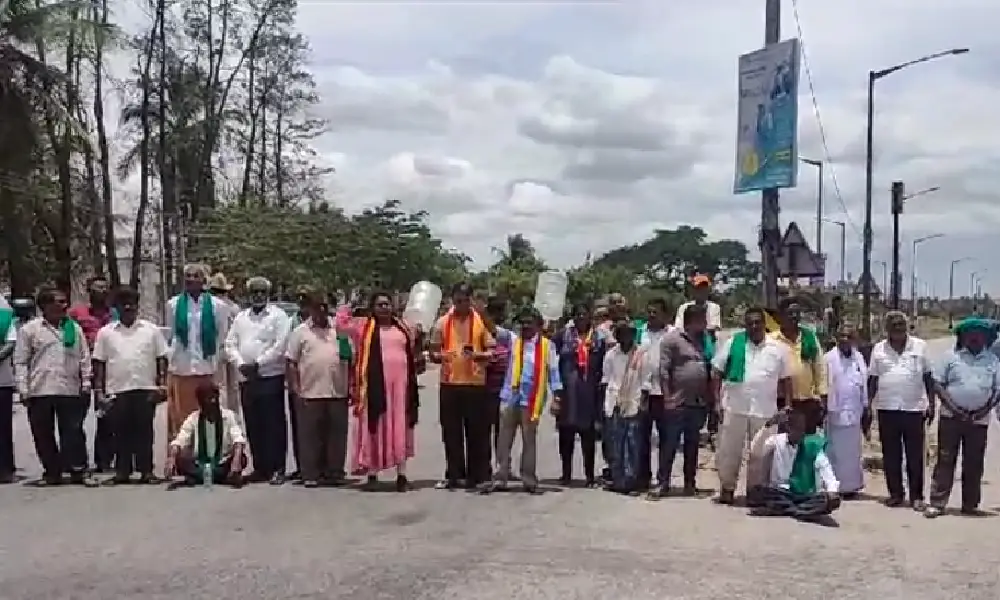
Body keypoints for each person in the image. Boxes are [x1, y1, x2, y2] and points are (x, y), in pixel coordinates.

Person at [336, 291, 420, 492]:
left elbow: (416, 341)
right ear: (372, 308)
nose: (384, 308)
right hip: (374, 389)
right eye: (380, 305)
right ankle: (372, 473)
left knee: (399, 428)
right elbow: (340, 326)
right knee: (374, 427)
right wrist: (349, 304)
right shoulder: (363, 326)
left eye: (387, 304)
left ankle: (402, 475)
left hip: (400, 389)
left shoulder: (403, 327)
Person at [14, 287, 96, 487]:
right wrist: (23, 389)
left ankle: (79, 471)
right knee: (43, 434)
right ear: (46, 306)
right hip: (40, 389)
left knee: (73, 432)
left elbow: (84, 357)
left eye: (64, 301)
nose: (64, 306)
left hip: (69, 388)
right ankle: (52, 472)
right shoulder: (30, 330)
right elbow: (21, 361)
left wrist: (86, 381)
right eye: (58, 302)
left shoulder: (73, 328)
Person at [712, 306, 793, 505]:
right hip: (734, 407)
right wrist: (715, 402)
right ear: (745, 325)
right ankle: (727, 488)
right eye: (750, 323)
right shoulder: (733, 343)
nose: (754, 326)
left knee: (762, 452)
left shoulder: (778, 348)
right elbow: (716, 372)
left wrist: (788, 405)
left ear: (764, 324)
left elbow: (786, 379)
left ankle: (756, 492)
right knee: (729, 451)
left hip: (765, 409)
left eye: (758, 322)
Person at [92, 287, 169, 485]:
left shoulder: (151, 331)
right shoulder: (105, 333)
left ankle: (146, 471)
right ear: (116, 308)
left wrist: (162, 384)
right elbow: (99, 363)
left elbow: (161, 358)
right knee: (120, 433)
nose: (128, 307)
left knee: (145, 431)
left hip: (145, 387)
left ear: (137, 306)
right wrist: (99, 392)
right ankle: (122, 472)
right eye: (123, 304)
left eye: (132, 304)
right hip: (117, 389)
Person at [925, 317, 1000, 518]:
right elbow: (938, 384)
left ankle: (970, 504)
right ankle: (937, 503)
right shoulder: (950, 357)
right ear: (963, 336)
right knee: (945, 459)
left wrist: (983, 411)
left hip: (979, 420)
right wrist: (955, 409)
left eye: (979, 334)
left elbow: (997, 390)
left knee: (974, 462)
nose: (975, 337)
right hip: (951, 417)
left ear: (985, 337)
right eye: (971, 333)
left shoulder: (993, 361)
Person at [484, 307, 562, 495]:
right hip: (510, 397)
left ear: (538, 325)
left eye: (529, 322)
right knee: (503, 439)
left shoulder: (547, 346)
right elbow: (492, 328)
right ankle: (501, 476)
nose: (525, 326)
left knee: (529, 441)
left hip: (532, 400)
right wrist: (481, 310)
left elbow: (553, 372)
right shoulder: (513, 340)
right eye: (523, 323)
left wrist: (557, 398)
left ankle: (528, 479)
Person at [428, 282, 495, 491]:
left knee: (478, 433)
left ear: (471, 300)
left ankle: (479, 475)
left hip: (475, 384)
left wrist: (477, 355)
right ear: (451, 300)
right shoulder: (442, 323)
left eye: (465, 300)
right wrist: (441, 357)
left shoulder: (482, 321)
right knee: (451, 433)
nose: (462, 305)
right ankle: (455, 474)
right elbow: (433, 352)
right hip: (450, 384)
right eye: (457, 301)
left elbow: (493, 352)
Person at [225, 276, 290, 484]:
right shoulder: (241, 317)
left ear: (268, 295)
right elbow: (230, 343)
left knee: (274, 424)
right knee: (253, 423)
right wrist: (240, 363)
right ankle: (260, 467)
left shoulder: (278, 316)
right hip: (246, 377)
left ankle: (278, 467)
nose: (258, 296)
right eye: (255, 292)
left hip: (270, 376)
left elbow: (280, 346)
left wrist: (258, 364)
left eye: (262, 292)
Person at [867, 310, 934, 510]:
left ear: (907, 326)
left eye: (900, 324)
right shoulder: (878, 349)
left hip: (914, 409)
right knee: (891, 455)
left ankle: (917, 496)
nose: (897, 327)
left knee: (915, 455)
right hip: (887, 408)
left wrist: (932, 403)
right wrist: (868, 405)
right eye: (893, 324)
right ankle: (895, 494)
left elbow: (928, 377)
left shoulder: (920, 346)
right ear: (886, 328)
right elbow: (873, 379)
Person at [286, 291, 352, 488]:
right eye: (317, 306)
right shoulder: (300, 332)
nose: (321, 310)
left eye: (325, 306)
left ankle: (334, 472)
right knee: (309, 436)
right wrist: (295, 389)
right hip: (309, 392)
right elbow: (291, 362)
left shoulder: (340, 330)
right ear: (310, 309)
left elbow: (351, 358)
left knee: (336, 435)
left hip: (337, 391)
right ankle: (310, 473)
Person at [649, 303, 714, 498]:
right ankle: (663, 483)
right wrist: (667, 397)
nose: (704, 324)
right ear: (690, 321)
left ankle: (689, 483)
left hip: (698, 402)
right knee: (669, 443)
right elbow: (664, 371)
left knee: (693, 444)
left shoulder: (706, 341)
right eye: (701, 320)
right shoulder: (672, 339)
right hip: (677, 400)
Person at [165, 264, 230, 449]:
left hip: (207, 369)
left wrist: (217, 367)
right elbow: (170, 336)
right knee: (182, 418)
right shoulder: (173, 304)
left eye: (196, 276)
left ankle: (208, 455)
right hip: (182, 369)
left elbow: (221, 338)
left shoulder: (218, 306)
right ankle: (183, 459)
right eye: (187, 276)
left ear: (204, 280)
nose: (191, 279)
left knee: (208, 415)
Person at [748, 409, 841, 520]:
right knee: (756, 493)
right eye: (797, 429)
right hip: (780, 492)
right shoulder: (776, 441)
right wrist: (768, 425)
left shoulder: (811, 446)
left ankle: (784, 510)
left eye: (802, 430)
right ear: (788, 428)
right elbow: (755, 449)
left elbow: (826, 470)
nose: (800, 433)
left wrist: (833, 491)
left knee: (828, 501)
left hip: (804, 495)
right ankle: (800, 511)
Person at [68, 274, 116, 472]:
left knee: (107, 417)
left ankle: (103, 461)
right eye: (97, 288)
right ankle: (76, 462)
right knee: (74, 420)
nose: (101, 291)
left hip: (108, 371)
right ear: (89, 291)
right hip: (82, 372)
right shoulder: (76, 314)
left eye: (105, 288)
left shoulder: (115, 315)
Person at [555, 302, 607, 487]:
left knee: (588, 436)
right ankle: (566, 473)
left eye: (584, 314)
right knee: (566, 435)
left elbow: (604, 365)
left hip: (590, 392)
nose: (581, 318)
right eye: (578, 314)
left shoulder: (599, 338)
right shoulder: (563, 336)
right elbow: (552, 360)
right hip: (568, 391)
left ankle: (590, 476)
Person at [165, 382, 247, 488]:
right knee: (180, 460)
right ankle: (219, 477)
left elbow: (238, 439)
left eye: (214, 398)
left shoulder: (228, 416)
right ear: (200, 402)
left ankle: (200, 477)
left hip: (222, 463)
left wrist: (236, 461)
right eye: (208, 399)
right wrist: (171, 458)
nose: (212, 402)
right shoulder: (193, 418)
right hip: (200, 464)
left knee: (242, 458)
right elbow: (180, 439)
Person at [602, 320, 648, 495]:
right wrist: (606, 404)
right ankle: (618, 480)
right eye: (621, 333)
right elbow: (606, 380)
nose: (625, 337)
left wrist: (643, 404)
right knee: (615, 443)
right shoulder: (611, 355)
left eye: (628, 333)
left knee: (633, 444)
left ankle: (631, 481)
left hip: (634, 402)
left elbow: (646, 381)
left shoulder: (641, 354)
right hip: (614, 402)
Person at [823, 322, 868, 498]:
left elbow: (863, 383)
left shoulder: (859, 357)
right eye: (841, 335)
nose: (845, 339)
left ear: (854, 339)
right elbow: (824, 385)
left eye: (849, 336)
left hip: (855, 412)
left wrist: (866, 406)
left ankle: (851, 486)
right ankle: (835, 487)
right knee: (834, 452)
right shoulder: (829, 358)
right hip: (835, 412)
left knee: (853, 452)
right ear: (836, 338)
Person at [770, 296, 826, 432]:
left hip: (807, 401)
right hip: (781, 401)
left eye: (797, 313)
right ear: (780, 316)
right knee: (784, 443)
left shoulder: (810, 336)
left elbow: (819, 368)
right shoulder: (772, 340)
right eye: (790, 313)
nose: (794, 317)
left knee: (806, 442)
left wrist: (822, 395)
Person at [636, 297, 670, 491]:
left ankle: (663, 479)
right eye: (649, 311)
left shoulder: (673, 334)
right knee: (642, 437)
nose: (651, 315)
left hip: (665, 393)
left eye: (655, 312)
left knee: (665, 439)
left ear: (665, 314)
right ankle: (643, 478)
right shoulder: (640, 333)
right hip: (643, 392)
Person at [480, 295, 511, 473]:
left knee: (501, 429)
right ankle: (490, 466)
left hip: (501, 382)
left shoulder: (506, 332)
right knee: (490, 428)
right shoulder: (490, 330)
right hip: (487, 382)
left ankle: (501, 466)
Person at [285, 286, 312, 481]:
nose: (303, 305)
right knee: (299, 426)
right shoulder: (291, 323)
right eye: (301, 301)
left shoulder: (326, 324)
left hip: (318, 382)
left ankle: (317, 466)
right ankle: (302, 466)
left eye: (307, 301)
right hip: (298, 380)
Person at [208, 273, 242, 419]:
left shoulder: (211, 306)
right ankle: (234, 418)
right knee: (233, 387)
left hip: (218, 347)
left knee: (220, 385)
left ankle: (222, 417)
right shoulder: (234, 308)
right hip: (233, 348)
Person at [0, 296, 17, 483]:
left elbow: (10, 342)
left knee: (2, 429)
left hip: (2, 381)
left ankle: (4, 470)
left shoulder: (2, 306)